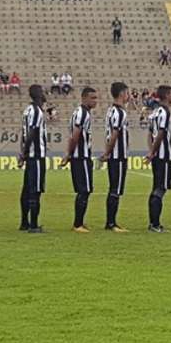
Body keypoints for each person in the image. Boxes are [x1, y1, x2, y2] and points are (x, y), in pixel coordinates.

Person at [60, 87, 98, 233]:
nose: (95, 101)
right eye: (92, 98)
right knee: (85, 190)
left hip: (79, 156)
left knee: (84, 190)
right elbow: (75, 134)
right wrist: (69, 154)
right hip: (81, 157)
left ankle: (79, 222)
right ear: (84, 98)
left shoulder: (80, 112)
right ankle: (78, 224)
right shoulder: (82, 113)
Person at [145, 85, 171, 233]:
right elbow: (161, 134)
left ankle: (153, 223)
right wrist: (154, 151)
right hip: (163, 156)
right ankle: (155, 224)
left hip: (157, 156)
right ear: (166, 96)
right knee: (160, 188)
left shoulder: (154, 113)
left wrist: (151, 151)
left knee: (156, 188)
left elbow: (150, 134)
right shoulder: (165, 112)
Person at [101, 82, 130, 232]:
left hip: (114, 155)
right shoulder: (119, 113)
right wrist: (108, 152)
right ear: (122, 94)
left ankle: (110, 222)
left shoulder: (111, 111)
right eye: (127, 93)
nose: (128, 96)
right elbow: (114, 135)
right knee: (115, 189)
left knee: (113, 187)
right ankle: (111, 223)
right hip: (117, 156)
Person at [19, 85, 48, 233]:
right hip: (36, 156)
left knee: (26, 189)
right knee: (35, 190)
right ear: (38, 94)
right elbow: (31, 133)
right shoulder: (36, 111)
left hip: (30, 156)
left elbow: (23, 134)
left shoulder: (27, 110)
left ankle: (24, 222)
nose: (45, 94)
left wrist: (22, 153)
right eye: (43, 91)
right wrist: (24, 153)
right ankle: (33, 225)